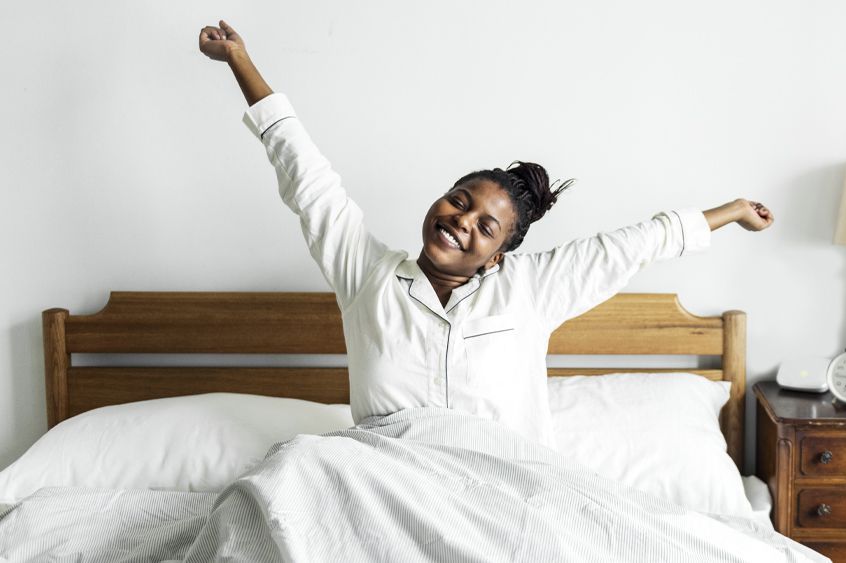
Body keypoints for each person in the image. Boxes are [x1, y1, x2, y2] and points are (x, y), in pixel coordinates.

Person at [199, 20, 774, 448]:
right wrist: (240, 61)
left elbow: (633, 244)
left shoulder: (532, 288)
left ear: (499, 254)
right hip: (381, 485)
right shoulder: (366, 276)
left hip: (501, 489)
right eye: (459, 201)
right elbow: (308, 179)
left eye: (484, 226)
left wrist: (732, 211)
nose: (460, 221)